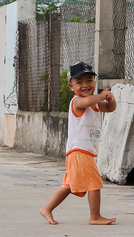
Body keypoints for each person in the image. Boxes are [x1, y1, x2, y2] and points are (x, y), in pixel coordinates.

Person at [40, 62, 117, 225]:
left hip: (82, 152)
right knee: (95, 183)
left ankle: (47, 208)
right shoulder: (77, 102)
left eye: (89, 80)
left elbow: (110, 109)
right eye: (79, 82)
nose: (85, 85)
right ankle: (95, 216)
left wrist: (110, 99)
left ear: (94, 82)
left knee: (68, 185)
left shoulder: (94, 103)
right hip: (80, 151)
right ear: (71, 86)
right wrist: (102, 95)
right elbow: (87, 102)